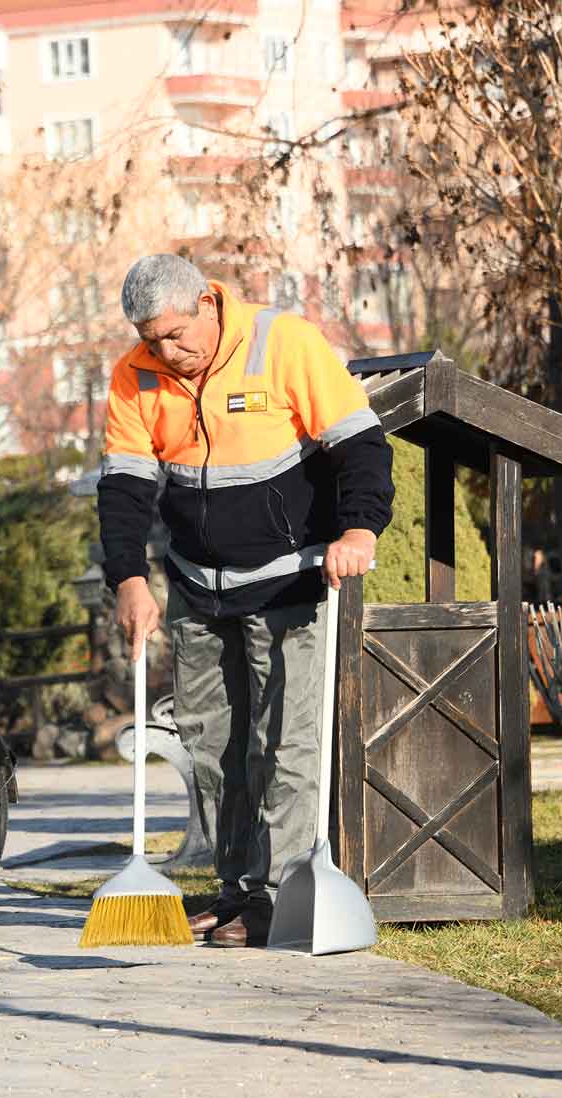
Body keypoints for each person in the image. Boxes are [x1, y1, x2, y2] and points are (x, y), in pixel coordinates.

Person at [97, 254, 394, 946]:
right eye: (151, 340)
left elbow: (360, 447)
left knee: (287, 744)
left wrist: (357, 529)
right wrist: (128, 578)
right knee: (210, 744)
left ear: (206, 301)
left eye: (175, 335)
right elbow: (125, 491)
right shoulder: (133, 375)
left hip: (291, 580)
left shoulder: (281, 342)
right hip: (198, 585)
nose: (167, 354)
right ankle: (236, 890)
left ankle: (282, 896)